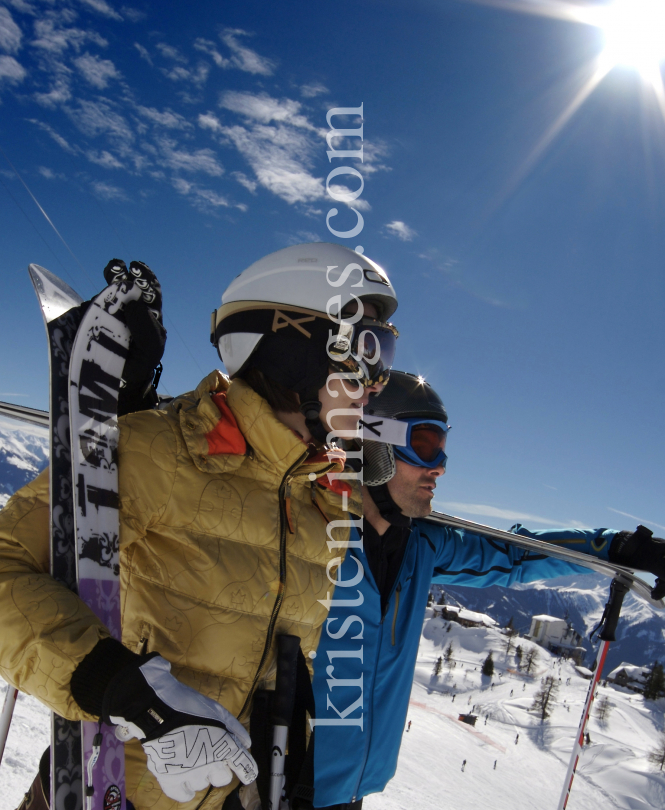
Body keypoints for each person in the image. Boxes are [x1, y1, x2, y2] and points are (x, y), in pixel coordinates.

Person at [0, 242, 399, 810]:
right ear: (293, 347)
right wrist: (122, 690)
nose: (377, 381)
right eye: (367, 350)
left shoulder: (320, 501)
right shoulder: (160, 452)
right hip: (111, 790)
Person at [308, 371, 665, 809]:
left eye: (442, 446)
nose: (440, 465)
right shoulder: (307, 534)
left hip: (352, 790)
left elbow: (515, 554)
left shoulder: (421, 544)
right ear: (371, 443)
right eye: (424, 444)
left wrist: (617, 547)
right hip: (284, 779)